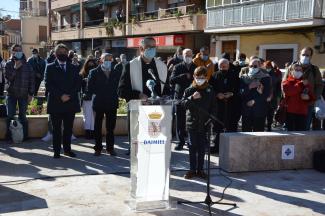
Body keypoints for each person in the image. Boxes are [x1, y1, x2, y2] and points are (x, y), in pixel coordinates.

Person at [44, 44, 82, 159]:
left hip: (70, 102)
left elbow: (77, 84)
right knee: (56, 129)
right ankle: (56, 151)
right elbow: (48, 84)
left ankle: (67, 150)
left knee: (68, 129)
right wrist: (61, 95)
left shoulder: (74, 67)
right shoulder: (50, 67)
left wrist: (68, 95)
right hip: (56, 102)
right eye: (60, 52)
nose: (63, 54)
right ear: (55, 54)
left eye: (64, 52)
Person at [181, 66, 217, 179]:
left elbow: (214, 107)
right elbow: (182, 104)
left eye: (202, 77)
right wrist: (191, 97)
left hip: (205, 123)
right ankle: (192, 169)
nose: (200, 79)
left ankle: (200, 169)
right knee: (192, 146)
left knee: (202, 148)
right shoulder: (189, 89)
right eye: (198, 77)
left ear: (206, 77)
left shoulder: (210, 90)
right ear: (194, 77)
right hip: (192, 123)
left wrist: (211, 119)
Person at [88, 53, 122, 156]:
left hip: (112, 103)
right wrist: (101, 92)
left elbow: (119, 86)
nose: (108, 61)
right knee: (97, 127)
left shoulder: (116, 72)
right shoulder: (93, 72)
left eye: (110, 59)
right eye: (105, 59)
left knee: (110, 128)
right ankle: (98, 148)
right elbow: (90, 88)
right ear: (101, 60)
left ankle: (110, 148)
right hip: (99, 102)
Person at [118, 36, 170, 101]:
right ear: (141, 49)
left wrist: (165, 96)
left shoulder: (162, 66)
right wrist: (138, 95)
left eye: (154, 47)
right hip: (138, 107)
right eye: (148, 47)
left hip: (158, 108)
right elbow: (121, 91)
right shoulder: (130, 66)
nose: (152, 49)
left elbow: (166, 89)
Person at [283, 47, 323, 130]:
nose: (305, 56)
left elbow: (319, 85)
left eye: (307, 55)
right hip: (291, 105)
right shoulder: (291, 67)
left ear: (311, 56)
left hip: (307, 105)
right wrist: (286, 98)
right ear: (299, 55)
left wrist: (312, 98)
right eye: (303, 54)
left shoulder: (314, 69)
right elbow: (284, 84)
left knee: (304, 129)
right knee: (290, 130)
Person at [209, 58, 240, 153]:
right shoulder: (214, 76)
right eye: (221, 66)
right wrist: (217, 94)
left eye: (225, 66)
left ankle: (230, 148)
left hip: (231, 105)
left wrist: (232, 94)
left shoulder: (234, 75)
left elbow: (238, 89)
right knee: (217, 127)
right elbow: (210, 89)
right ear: (218, 66)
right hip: (218, 105)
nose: (223, 68)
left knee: (231, 126)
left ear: (228, 66)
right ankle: (215, 147)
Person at [5, 44, 35, 141]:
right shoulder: (8, 64)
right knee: (10, 115)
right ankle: (9, 136)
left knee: (23, 115)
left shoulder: (27, 65)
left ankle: (25, 136)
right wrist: (15, 68)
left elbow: (32, 80)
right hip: (11, 94)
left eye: (19, 50)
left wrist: (31, 93)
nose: (17, 52)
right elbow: (8, 79)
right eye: (15, 50)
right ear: (12, 52)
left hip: (23, 95)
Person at [170, 48, 196, 151]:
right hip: (179, 97)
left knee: (191, 121)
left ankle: (191, 142)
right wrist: (183, 76)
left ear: (193, 55)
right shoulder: (177, 67)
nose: (188, 57)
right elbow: (171, 80)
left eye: (190, 55)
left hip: (192, 98)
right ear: (182, 55)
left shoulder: (196, 67)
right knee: (180, 121)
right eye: (186, 55)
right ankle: (180, 142)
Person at [239, 58, 271, 132]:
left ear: (259, 66)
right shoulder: (243, 78)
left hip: (259, 111)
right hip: (246, 111)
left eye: (255, 66)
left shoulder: (265, 78)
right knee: (246, 134)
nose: (252, 68)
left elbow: (266, 95)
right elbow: (240, 92)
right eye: (251, 66)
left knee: (258, 134)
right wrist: (249, 87)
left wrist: (254, 101)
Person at [282, 63, 315, 131]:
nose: (298, 72)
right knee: (292, 132)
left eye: (300, 70)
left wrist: (308, 97)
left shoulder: (305, 82)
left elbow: (312, 96)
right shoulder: (286, 82)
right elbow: (289, 92)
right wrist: (301, 84)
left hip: (302, 112)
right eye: (296, 70)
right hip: (291, 112)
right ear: (291, 71)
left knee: (302, 132)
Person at [80, 56, 96, 139]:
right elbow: (80, 85)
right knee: (86, 115)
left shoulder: (96, 72)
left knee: (93, 116)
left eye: (92, 63)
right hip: (86, 96)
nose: (91, 65)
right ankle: (87, 132)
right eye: (89, 63)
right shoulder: (82, 73)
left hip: (94, 96)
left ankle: (93, 132)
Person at [264, 61, 282, 131]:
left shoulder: (275, 74)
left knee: (270, 114)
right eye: (266, 67)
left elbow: (278, 87)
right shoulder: (262, 73)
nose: (267, 68)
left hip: (272, 97)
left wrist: (278, 97)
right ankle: (265, 127)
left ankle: (269, 127)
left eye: (268, 67)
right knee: (265, 113)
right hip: (265, 97)